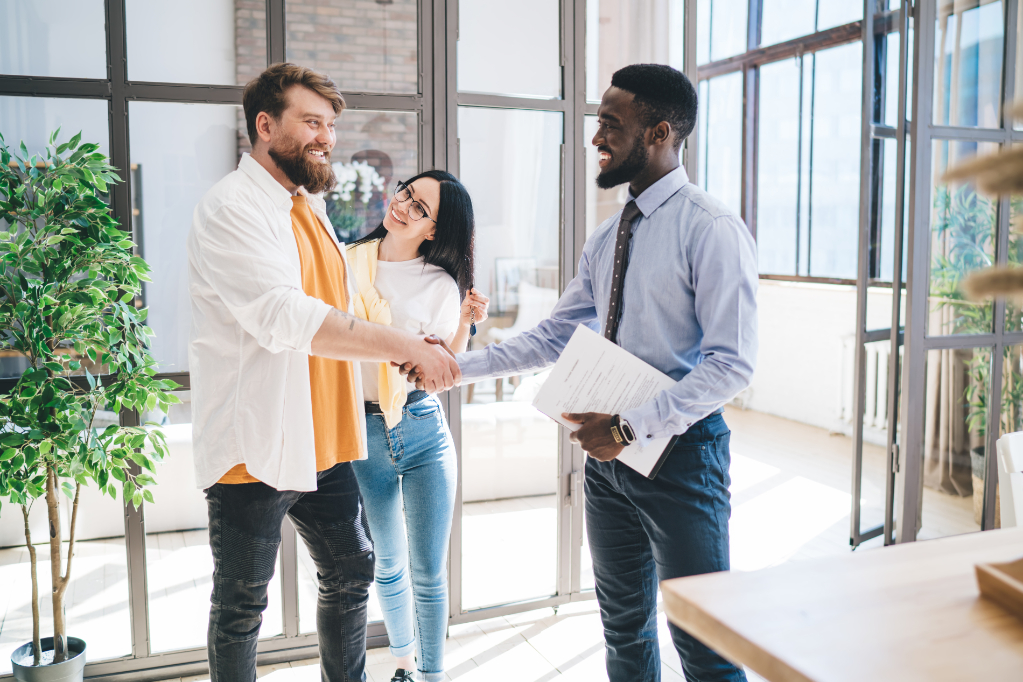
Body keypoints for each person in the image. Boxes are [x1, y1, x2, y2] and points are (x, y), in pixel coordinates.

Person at [407, 63, 757, 682]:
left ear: (660, 133)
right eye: (599, 123)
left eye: (611, 124)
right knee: (623, 630)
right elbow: (553, 337)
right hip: (610, 469)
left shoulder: (712, 228)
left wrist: (628, 425)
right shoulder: (607, 236)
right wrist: (454, 365)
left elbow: (731, 364)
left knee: (705, 646)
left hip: (682, 460)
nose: (597, 137)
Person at [186, 62, 460, 682]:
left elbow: (342, 304)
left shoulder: (306, 204)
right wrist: (403, 345)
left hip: (322, 440)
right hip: (255, 447)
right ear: (265, 124)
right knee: (241, 607)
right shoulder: (231, 207)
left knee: (351, 569)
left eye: (331, 126)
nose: (327, 138)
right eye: (312, 122)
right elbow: (284, 313)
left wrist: (418, 338)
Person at [345, 170, 489, 682]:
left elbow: (444, 369)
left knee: (428, 572)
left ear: (433, 230)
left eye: (420, 207)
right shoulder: (346, 264)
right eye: (406, 192)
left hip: (423, 427)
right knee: (386, 562)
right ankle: (403, 660)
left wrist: (464, 328)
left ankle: (432, 675)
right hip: (365, 433)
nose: (403, 205)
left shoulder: (440, 283)